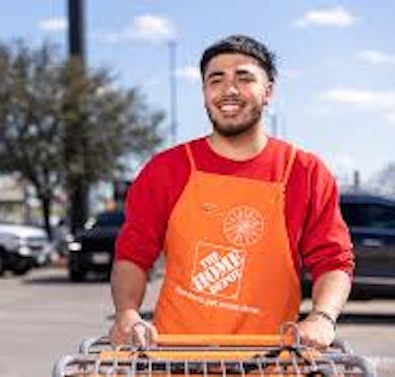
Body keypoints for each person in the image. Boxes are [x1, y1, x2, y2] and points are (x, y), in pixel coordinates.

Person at [109, 34, 354, 349]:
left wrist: (322, 317)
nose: (229, 90)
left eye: (244, 77)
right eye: (216, 79)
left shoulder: (304, 172)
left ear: (268, 92)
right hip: (176, 360)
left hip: (273, 360)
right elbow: (133, 254)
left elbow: (334, 261)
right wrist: (127, 313)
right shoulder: (166, 170)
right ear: (204, 93)